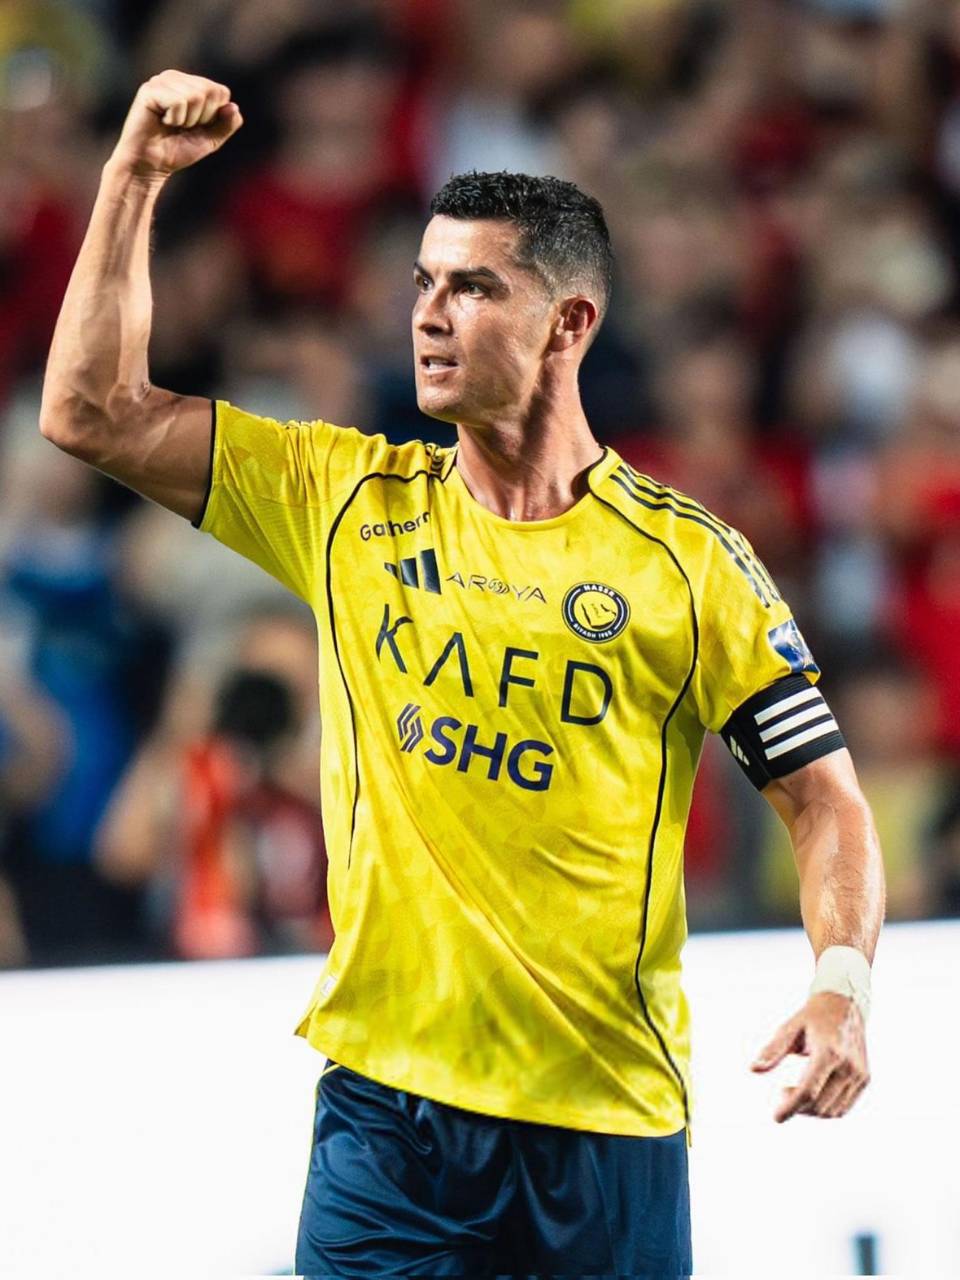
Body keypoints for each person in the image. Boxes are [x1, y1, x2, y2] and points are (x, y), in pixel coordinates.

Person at [40, 70, 886, 1279]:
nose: (430, 314)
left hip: (604, 1130)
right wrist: (128, 184)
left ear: (569, 322)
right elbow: (89, 412)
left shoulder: (688, 566)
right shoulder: (341, 497)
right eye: (424, 283)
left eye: (474, 286)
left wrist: (842, 982)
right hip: (388, 1122)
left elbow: (826, 798)